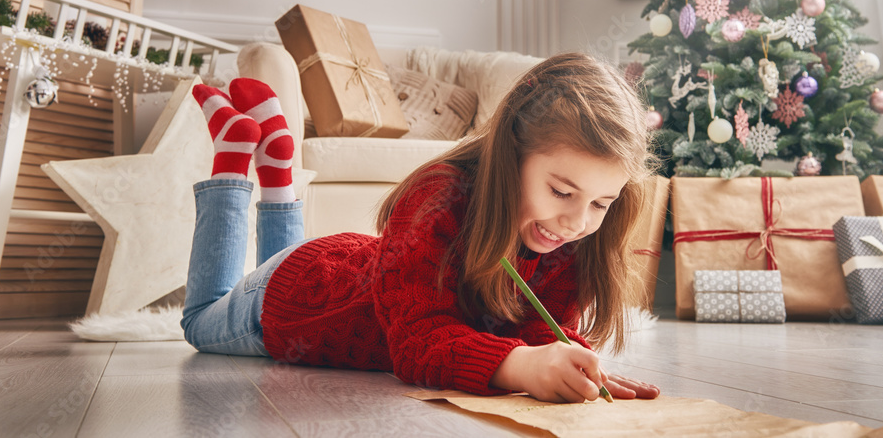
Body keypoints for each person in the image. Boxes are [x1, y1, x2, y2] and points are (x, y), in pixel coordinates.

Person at [182, 53, 661, 403]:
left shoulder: (568, 233)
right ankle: (231, 157)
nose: (578, 222)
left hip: (351, 262)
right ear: (510, 154)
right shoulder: (437, 196)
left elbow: (538, 330)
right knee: (201, 321)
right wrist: (520, 366)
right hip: (292, 300)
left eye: (601, 202)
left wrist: (571, 361)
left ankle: (277, 165)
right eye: (561, 192)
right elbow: (416, 342)